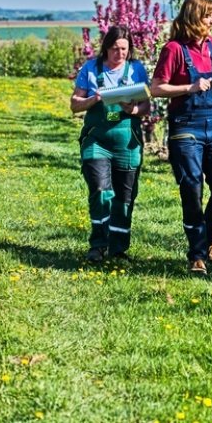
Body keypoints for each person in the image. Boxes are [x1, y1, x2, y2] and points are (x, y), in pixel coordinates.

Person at [151, 0, 212, 276]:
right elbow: (156, 87)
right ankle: (197, 254)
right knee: (191, 187)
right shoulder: (174, 49)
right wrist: (188, 88)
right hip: (185, 127)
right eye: (207, 16)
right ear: (193, 17)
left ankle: (209, 237)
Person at [71, 25, 151, 262]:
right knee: (99, 189)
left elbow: (146, 107)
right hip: (97, 139)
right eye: (115, 48)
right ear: (106, 48)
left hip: (127, 141)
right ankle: (98, 244)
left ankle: (118, 249)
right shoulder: (90, 69)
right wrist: (93, 99)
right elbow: (74, 104)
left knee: (125, 197)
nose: (120, 53)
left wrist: (134, 109)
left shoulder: (136, 70)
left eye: (124, 49)